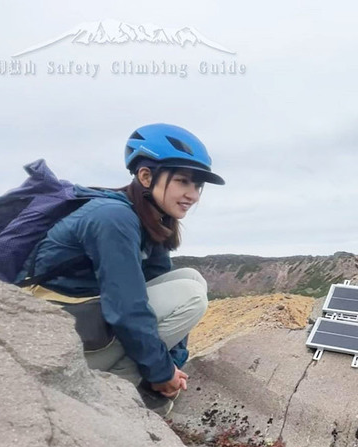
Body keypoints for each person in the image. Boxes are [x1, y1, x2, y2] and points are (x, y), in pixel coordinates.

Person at [16, 123, 224, 415]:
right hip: (51, 339)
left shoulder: (148, 217)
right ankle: (111, 393)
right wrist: (161, 373)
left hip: (83, 321)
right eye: (182, 181)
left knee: (191, 279)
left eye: (198, 185)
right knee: (190, 294)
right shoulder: (114, 218)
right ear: (146, 176)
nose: (194, 195)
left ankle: (146, 381)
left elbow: (156, 280)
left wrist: (172, 364)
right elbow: (128, 307)